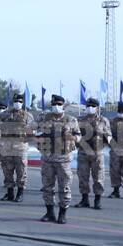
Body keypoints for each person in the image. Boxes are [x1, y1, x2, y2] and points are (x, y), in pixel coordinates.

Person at [26, 94, 81, 224]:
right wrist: (36, 139)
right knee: (47, 187)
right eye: (54, 104)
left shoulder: (71, 120)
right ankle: (49, 212)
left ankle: (62, 213)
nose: (56, 106)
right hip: (48, 158)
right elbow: (28, 128)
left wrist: (71, 137)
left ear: (64, 106)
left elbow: (79, 137)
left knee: (64, 187)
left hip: (64, 159)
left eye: (59, 104)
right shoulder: (43, 118)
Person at [74, 98, 111, 210]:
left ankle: (97, 200)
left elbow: (109, 136)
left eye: (93, 106)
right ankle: (84, 199)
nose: (90, 108)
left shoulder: (103, 120)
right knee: (83, 176)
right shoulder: (79, 119)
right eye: (88, 105)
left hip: (97, 153)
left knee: (98, 177)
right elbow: (74, 134)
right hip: (83, 152)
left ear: (97, 107)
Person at [0, 93, 34, 202]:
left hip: (20, 147)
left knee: (21, 170)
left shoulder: (28, 116)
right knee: (7, 170)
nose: (18, 103)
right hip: (6, 146)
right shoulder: (5, 114)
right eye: (16, 101)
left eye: (20, 101)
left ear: (23, 102)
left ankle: (20, 192)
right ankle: (9, 193)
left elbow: (32, 131)